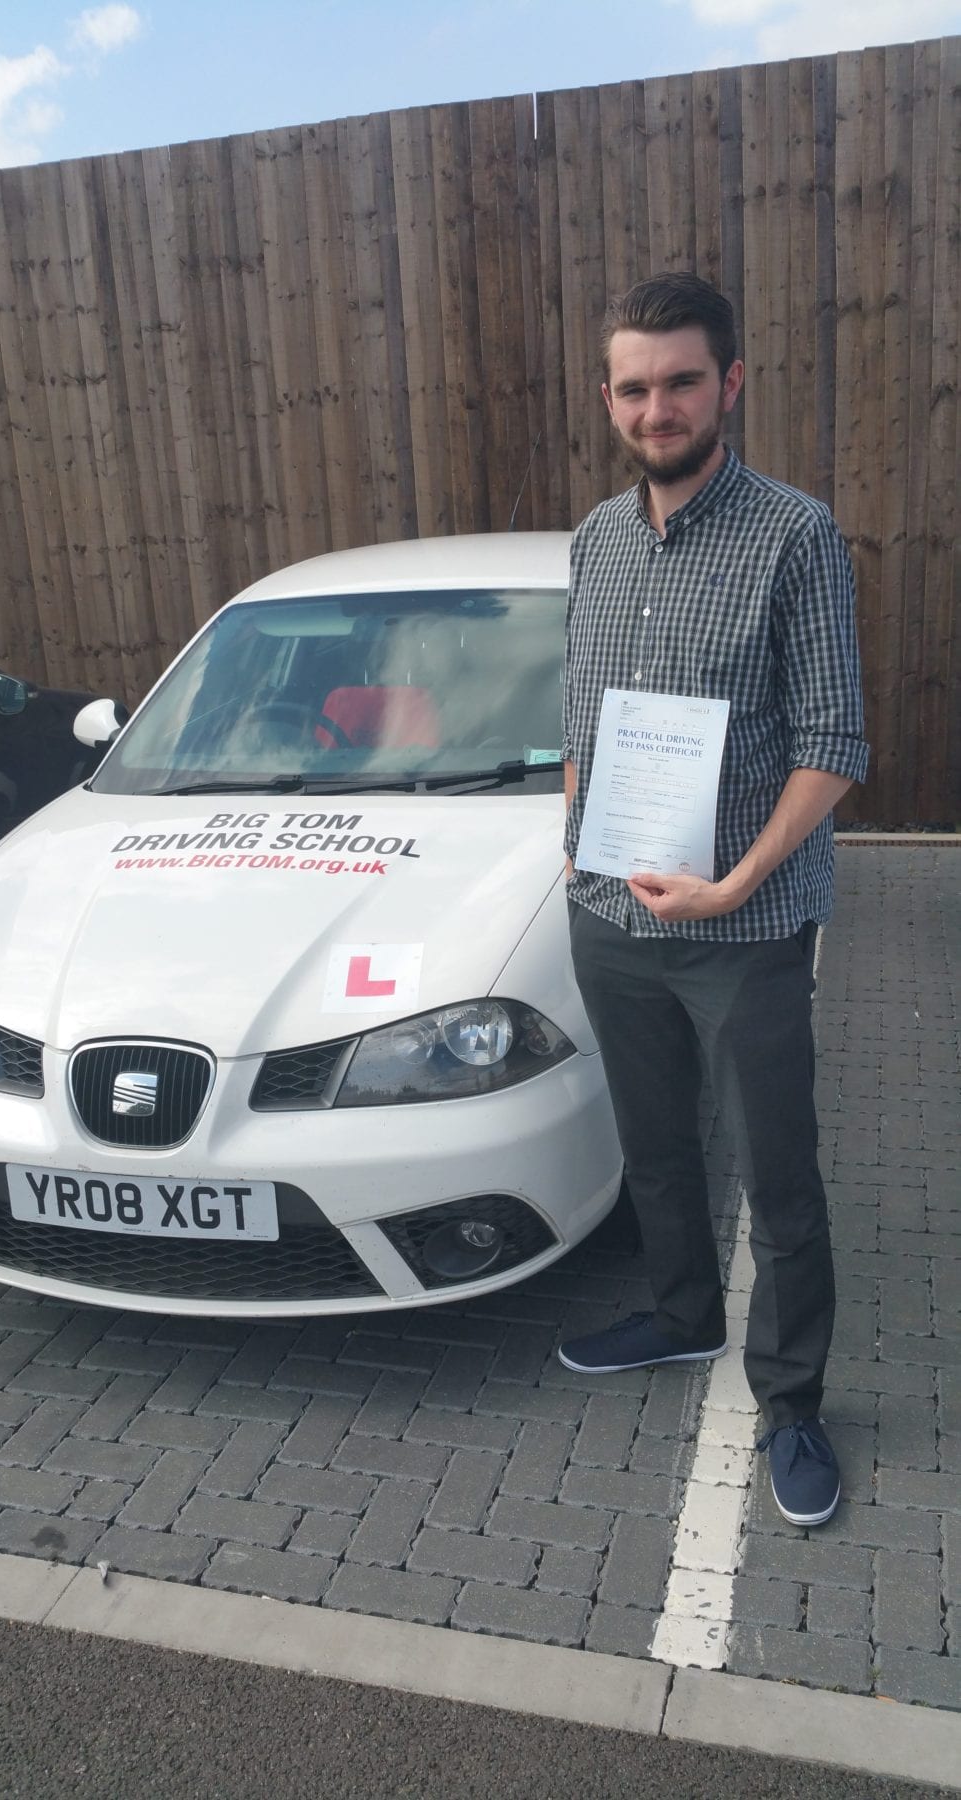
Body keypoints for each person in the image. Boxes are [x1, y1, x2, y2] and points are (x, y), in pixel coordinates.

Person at [557, 272, 868, 1528]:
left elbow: (834, 740)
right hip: (610, 920)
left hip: (740, 928)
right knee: (654, 1146)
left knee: (779, 1179)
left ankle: (789, 1399)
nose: (656, 406)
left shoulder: (793, 535)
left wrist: (734, 883)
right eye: (633, 386)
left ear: (728, 383)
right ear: (610, 398)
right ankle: (681, 1318)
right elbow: (579, 717)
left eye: (681, 380)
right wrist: (570, 845)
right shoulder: (593, 538)